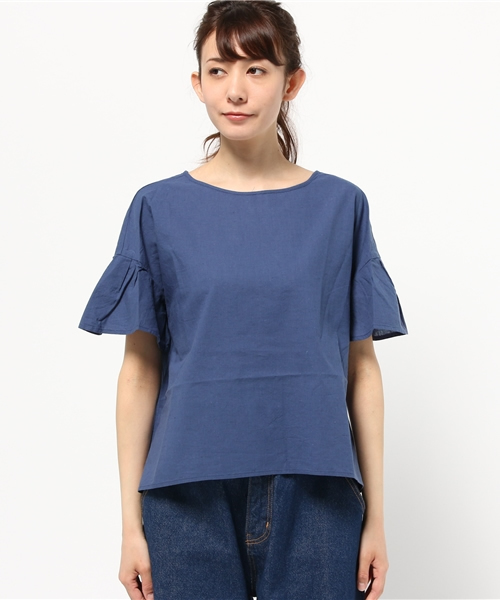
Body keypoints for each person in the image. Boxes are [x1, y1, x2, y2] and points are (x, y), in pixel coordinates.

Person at [79, 1, 408, 599]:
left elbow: (361, 368)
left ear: (292, 82)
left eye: (256, 69)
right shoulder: (157, 208)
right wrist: (129, 524)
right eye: (218, 70)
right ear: (198, 83)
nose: (236, 89)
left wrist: (378, 519)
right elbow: (139, 371)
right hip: (185, 495)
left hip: (316, 490)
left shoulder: (341, 208)